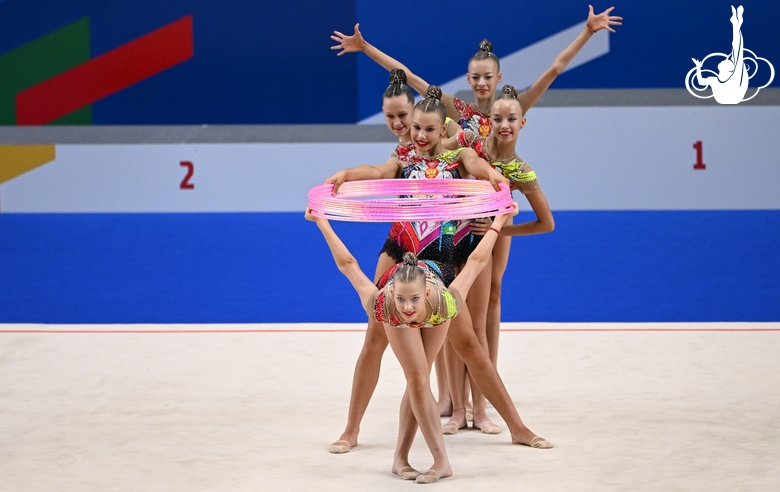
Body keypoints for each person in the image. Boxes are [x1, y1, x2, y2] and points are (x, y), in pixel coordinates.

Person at [327, 87, 552, 471]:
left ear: (442, 128)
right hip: (401, 259)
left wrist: (496, 181)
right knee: (374, 341)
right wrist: (348, 175)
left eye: (429, 129)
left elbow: (484, 171)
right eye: (416, 128)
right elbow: (377, 174)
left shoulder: (458, 157)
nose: (419, 136)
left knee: (469, 345)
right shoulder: (402, 160)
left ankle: (518, 426)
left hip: (444, 266)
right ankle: (351, 428)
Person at [305, 199, 516, 483]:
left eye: (413, 300)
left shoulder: (446, 300)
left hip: (434, 300)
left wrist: (501, 219)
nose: (407, 308)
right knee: (417, 378)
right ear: (392, 295)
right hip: (404, 290)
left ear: (426, 295)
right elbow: (348, 264)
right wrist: (321, 221)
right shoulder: (384, 303)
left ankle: (421, 460)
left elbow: (477, 261)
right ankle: (427, 460)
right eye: (401, 300)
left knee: (421, 376)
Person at [441, 84, 555, 434]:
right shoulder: (470, 147)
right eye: (498, 118)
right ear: (487, 121)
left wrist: (498, 231)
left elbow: (546, 223)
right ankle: (458, 409)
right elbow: (428, 144)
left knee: (478, 320)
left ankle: (481, 408)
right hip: (450, 233)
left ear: (523, 122)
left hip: (483, 241)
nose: (504, 124)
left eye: (512, 119)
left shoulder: (521, 170)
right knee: (447, 317)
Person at [330, 5, 623, 131]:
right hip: (464, 195)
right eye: (476, 77)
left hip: (499, 193)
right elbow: (409, 77)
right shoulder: (455, 108)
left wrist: (588, 32)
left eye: (487, 77)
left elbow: (554, 70)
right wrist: (365, 47)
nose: (482, 82)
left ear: (499, 77)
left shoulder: (514, 107)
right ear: (468, 79)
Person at [692, 5, 748, 104]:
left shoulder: (734, 77)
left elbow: (738, 49)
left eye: (727, 61)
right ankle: (736, 24)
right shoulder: (714, 80)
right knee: (736, 51)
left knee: (737, 50)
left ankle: (736, 24)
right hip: (725, 99)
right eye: (727, 60)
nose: (724, 59)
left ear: (729, 69)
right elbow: (701, 82)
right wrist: (698, 67)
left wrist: (736, 26)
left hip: (733, 97)